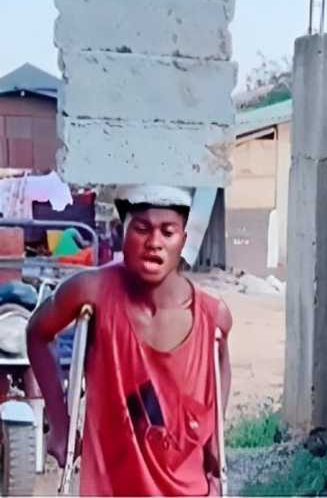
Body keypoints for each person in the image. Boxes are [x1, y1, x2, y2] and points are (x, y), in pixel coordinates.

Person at [27, 185, 233, 496]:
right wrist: (59, 423)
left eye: (168, 232)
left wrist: (215, 437)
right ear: (122, 233)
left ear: (184, 241)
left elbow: (220, 360)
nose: (154, 243)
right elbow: (37, 333)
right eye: (141, 229)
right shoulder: (90, 292)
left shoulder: (212, 315)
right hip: (113, 485)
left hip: (188, 487)